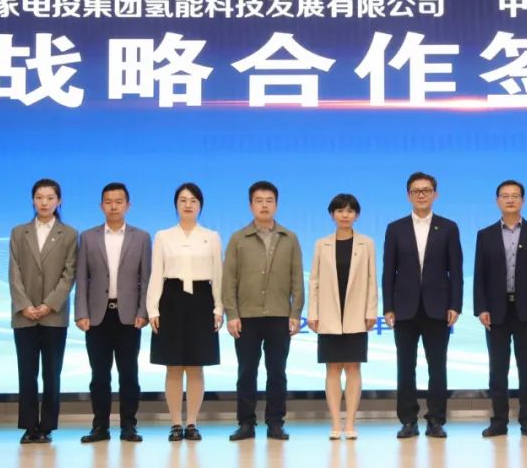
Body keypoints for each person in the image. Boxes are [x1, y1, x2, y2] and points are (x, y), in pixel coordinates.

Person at [383, 172, 463, 439]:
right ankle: (408, 420)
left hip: (438, 307)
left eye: (426, 190)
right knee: (405, 367)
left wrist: (455, 305)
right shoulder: (395, 228)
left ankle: (436, 420)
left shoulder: (448, 227)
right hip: (404, 308)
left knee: (437, 367)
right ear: (408, 195)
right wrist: (388, 306)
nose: (421, 195)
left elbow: (456, 270)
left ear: (435, 194)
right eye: (416, 191)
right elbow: (388, 270)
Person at [223, 181, 304, 442]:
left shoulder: (289, 238)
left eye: (269, 200)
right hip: (246, 317)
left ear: (276, 205)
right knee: (246, 372)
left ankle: (275, 423)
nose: (264, 205)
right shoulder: (238, 239)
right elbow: (229, 280)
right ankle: (246, 423)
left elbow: (297, 280)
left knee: (277, 372)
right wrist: (231, 314)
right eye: (259, 201)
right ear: (251, 205)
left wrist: (295, 313)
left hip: (279, 315)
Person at [474, 180, 527, 438]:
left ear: (523, 201)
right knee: (498, 370)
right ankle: (498, 421)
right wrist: (481, 308)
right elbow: (479, 275)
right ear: (497, 201)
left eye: (515, 196)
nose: (510, 200)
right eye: (505, 196)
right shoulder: (485, 235)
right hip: (496, 311)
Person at [74, 182, 151, 444]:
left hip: (129, 316)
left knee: (129, 374)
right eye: (108, 202)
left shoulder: (141, 237)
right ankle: (100, 427)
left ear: (128, 205)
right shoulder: (88, 237)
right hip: (97, 316)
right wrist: (81, 312)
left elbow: (146, 278)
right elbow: (81, 278)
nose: (114, 206)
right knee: (99, 376)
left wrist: (143, 311)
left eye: (119, 202)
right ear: (101, 206)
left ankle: (129, 426)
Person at [147, 183, 223, 442]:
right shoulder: (163, 236)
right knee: (173, 366)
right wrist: (152, 309)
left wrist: (218, 307)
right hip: (171, 299)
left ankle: (192, 422)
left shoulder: (211, 236)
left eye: (193, 200)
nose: (188, 205)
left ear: (200, 205)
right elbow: (156, 273)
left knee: (196, 366)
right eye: (182, 200)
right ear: (176, 205)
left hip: (202, 300)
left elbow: (218, 274)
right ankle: (175, 424)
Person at [8, 178, 78, 444]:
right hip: (23, 315)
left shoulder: (69, 234)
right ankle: (29, 427)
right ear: (32, 200)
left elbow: (69, 274)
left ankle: (47, 427)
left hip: (54, 315)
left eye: (50, 198)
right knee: (27, 373)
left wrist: (49, 304)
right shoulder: (19, 232)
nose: (44, 202)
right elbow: (14, 271)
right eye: (39, 197)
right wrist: (24, 305)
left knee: (51, 373)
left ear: (59, 201)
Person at [307, 194, 378, 440]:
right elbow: (314, 281)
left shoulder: (367, 243)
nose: (345, 215)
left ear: (356, 215)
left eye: (349, 211)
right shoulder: (321, 244)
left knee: (353, 367)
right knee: (333, 368)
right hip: (328, 314)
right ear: (332, 215)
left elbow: (372, 279)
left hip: (356, 313)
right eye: (339, 210)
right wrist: (313, 313)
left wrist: (371, 311)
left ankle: (350, 424)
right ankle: (336, 423)